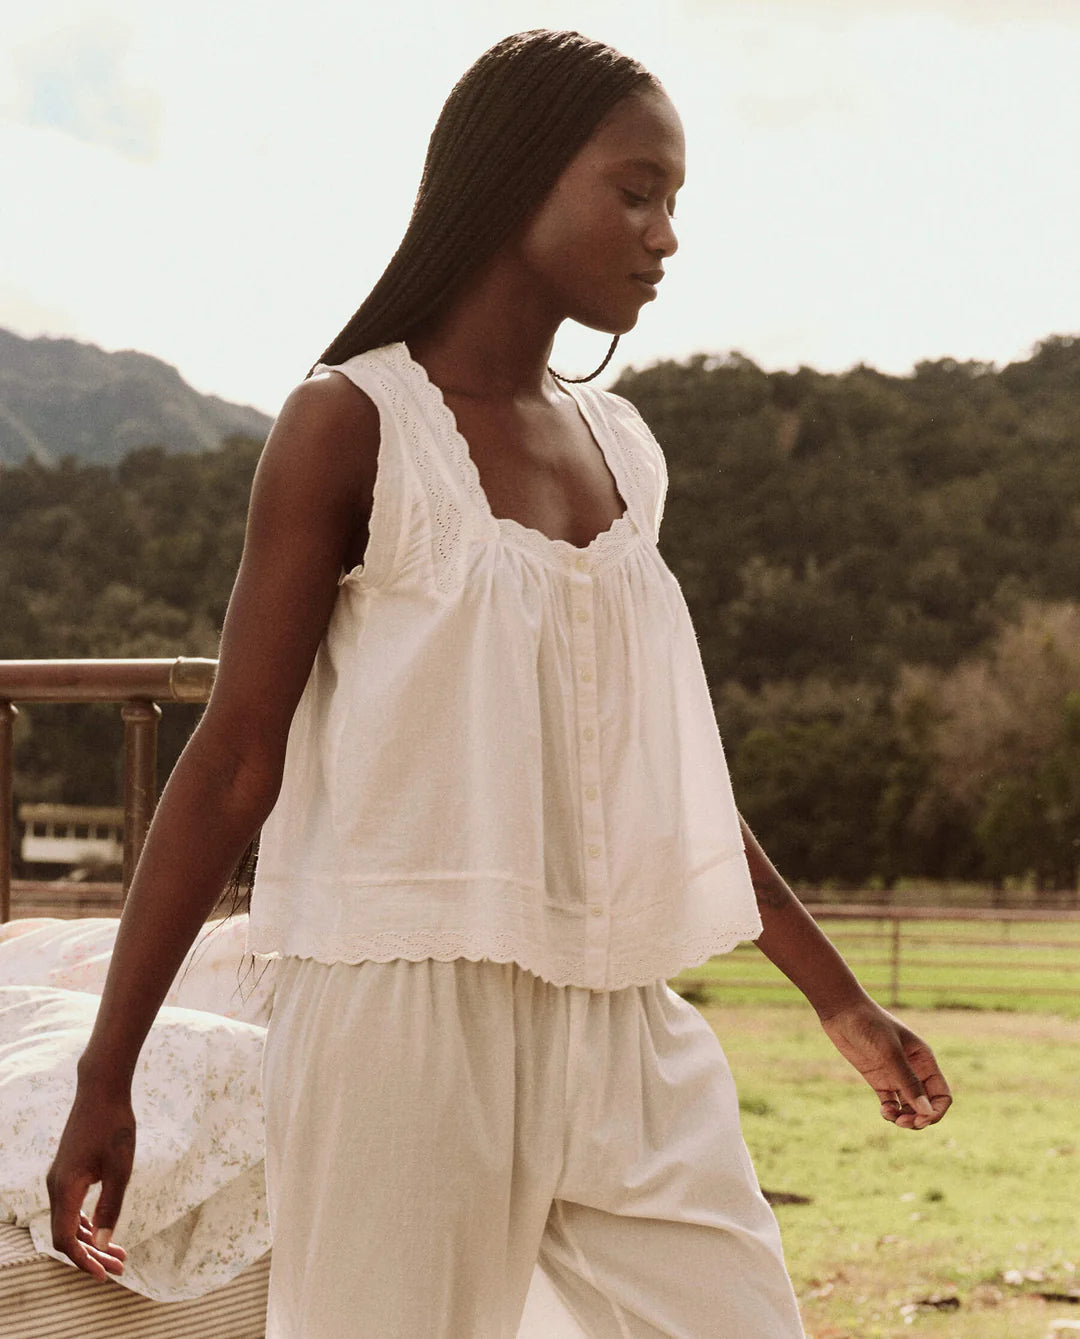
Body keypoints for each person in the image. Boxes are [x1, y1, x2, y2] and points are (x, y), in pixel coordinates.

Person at [46, 28, 952, 1338]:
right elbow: (236, 758)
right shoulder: (350, 425)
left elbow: (666, 777)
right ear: (517, 181)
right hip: (400, 1018)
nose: (665, 237)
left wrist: (840, 999)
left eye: (673, 202)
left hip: (618, 1016)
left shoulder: (624, 453)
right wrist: (109, 1070)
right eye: (635, 193)